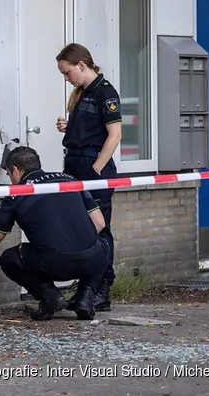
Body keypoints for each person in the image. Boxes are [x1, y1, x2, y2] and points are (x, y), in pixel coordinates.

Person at [0, 146, 110, 321]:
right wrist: (77, 245)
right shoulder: (70, 180)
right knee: (103, 246)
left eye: (9, 175)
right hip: (90, 261)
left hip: (53, 264)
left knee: (9, 258)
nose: (10, 180)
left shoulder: (17, 194)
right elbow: (99, 223)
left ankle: (50, 296)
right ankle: (86, 297)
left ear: (15, 170)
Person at [54, 42, 121, 313]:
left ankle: (101, 287)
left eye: (67, 72)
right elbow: (89, 129)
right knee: (80, 230)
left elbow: (114, 135)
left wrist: (96, 169)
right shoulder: (81, 95)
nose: (66, 78)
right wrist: (68, 128)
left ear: (82, 65)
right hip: (75, 165)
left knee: (99, 229)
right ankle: (86, 287)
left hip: (93, 169)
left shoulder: (105, 93)